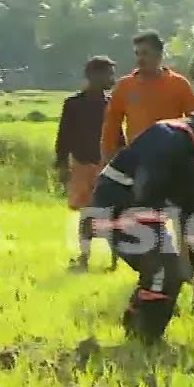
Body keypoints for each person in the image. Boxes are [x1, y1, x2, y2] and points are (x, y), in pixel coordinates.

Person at [88, 81, 194, 344]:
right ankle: (145, 339)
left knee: (172, 273)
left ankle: (138, 330)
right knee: (165, 270)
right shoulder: (171, 137)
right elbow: (145, 190)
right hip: (118, 206)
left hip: (142, 211)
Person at [56, 55, 118, 272]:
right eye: (108, 73)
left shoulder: (113, 105)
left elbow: (119, 137)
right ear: (93, 75)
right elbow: (63, 137)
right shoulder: (73, 104)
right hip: (81, 166)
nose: (113, 78)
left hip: (106, 166)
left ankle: (114, 259)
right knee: (86, 214)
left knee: (111, 214)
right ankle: (84, 256)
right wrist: (62, 165)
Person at [100, 31, 194, 162]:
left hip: (172, 158)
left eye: (145, 53)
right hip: (138, 160)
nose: (140, 59)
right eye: (137, 54)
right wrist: (108, 158)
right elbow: (111, 127)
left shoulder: (179, 84)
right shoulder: (124, 86)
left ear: (159, 55)